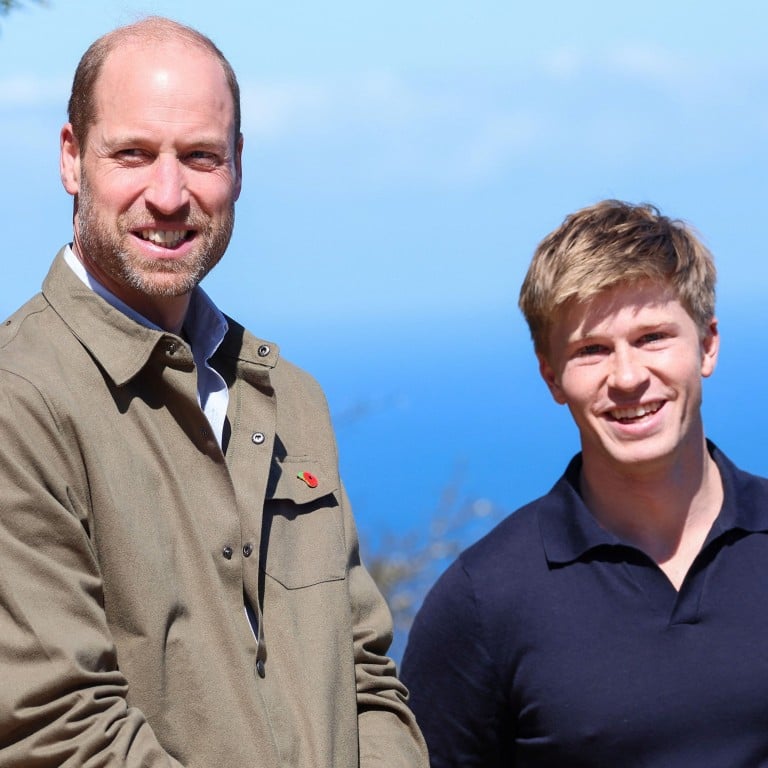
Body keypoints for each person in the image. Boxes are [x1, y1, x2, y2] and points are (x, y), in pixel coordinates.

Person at [0, 16, 427, 768]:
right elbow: (58, 730)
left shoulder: (290, 398)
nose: (169, 194)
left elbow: (365, 679)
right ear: (72, 159)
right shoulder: (21, 401)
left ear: (238, 167)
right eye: (132, 154)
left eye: (200, 156)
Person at [401, 199, 768, 766]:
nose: (627, 377)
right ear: (552, 376)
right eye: (591, 350)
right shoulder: (484, 602)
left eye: (652, 338)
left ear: (708, 344)